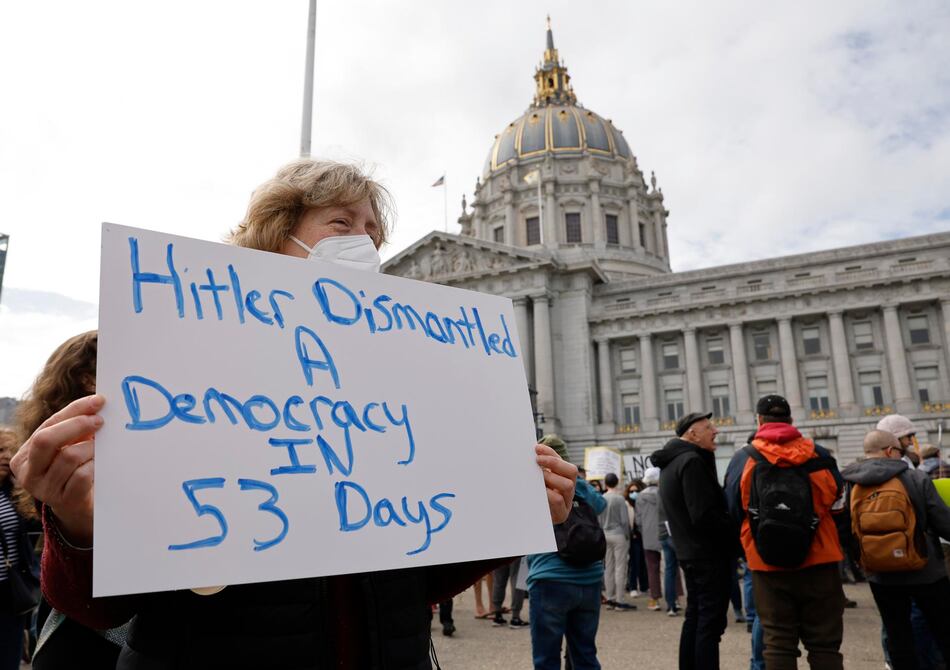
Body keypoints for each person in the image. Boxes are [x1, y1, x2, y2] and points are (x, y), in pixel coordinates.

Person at [10, 159, 579, 669]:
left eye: (373, 232)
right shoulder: (182, 371)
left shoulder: (392, 388)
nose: (366, 244)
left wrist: (509, 518)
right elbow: (102, 607)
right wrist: (81, 523)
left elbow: (413, 581)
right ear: (277, 238)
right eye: (341, 224)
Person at [724, 394, 846, 670]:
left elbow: (732, 510)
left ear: (759, 421)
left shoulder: (744, 458)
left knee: (778, 642)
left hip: (766, 562)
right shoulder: (821, 454)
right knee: (825, 644)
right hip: (820, 559)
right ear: (791, 420)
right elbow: (839, 504)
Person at [841, 430, 950, 669]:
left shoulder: (850, 483)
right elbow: (942, 522)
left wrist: (860, 559)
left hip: (880, 573)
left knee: (897, 633)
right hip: (925, 568)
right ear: (890, 451)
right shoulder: (915, 478)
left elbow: (844, 529)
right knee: (943, 628)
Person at [650, 412, 738, 670]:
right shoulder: (691, 462)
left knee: (696, 618)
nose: (715, 431)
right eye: (709, 427)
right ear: (692, 433)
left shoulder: (673, 462)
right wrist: (734, 529)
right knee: (709, 625)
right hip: (708, 554)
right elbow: (703, 514)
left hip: (690, 551)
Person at [528, 435, 606, 670]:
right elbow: (602, 505)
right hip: (590, 578)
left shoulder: (533, 484)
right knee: (585, 655)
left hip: (549, 576)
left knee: (546, 659)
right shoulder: (579, 485)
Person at [0, 430, 39, 670]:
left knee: (8, 656)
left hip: (9, 591)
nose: (6, 456)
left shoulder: (12, 493)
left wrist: (21, 482)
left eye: (9, 450)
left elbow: (37, 521)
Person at [598, 472, 634, 611]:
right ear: (617, 482)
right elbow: (625, 521)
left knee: (609, 567)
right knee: (620, 567)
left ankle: (610, 597)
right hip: (618, 534)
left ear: (605, 484)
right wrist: (627, 536)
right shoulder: (619, 499)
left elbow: (598, 519)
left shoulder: (601, 497)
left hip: (605, 534)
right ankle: (620, 599)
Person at [635, 467, 663, 611]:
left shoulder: (640, 496)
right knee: (671, 567)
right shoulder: (663, 493)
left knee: (652, 568)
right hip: (665, 532)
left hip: (648, 534)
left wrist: (642, 530)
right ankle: (675, 598)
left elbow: (638, 519)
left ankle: (654, 599)